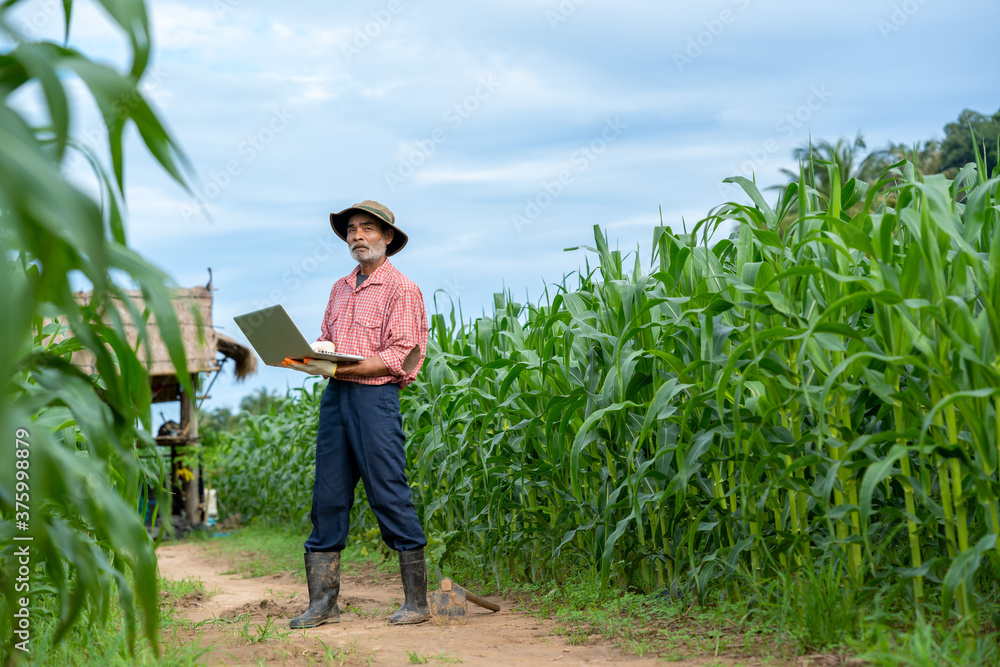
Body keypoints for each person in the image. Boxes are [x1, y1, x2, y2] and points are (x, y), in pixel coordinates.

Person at [282, 200, 429, 628]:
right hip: (336, 398)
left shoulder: (402, 289)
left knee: (388, 492)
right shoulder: (339, 288)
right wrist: (309, 357)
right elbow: (328, 340)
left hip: (375, 400)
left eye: (367, 229)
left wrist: (343, 366)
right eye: (351, 230)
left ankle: (417, 602)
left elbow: (399, 355)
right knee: (327, 496)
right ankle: (323, 603)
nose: (357, 236)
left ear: (387, 238)